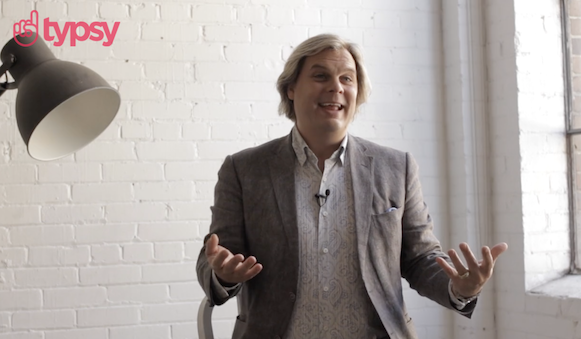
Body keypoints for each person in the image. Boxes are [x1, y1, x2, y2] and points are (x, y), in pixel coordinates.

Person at [196, 33, 508, 339]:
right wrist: (223, 274)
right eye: (320, 76)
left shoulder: (396, 168)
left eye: (347, 79)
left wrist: (458, 288)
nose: (336, 87)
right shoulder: (244, 170)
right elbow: (215, 258)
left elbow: (420, 258)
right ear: (291, 88)